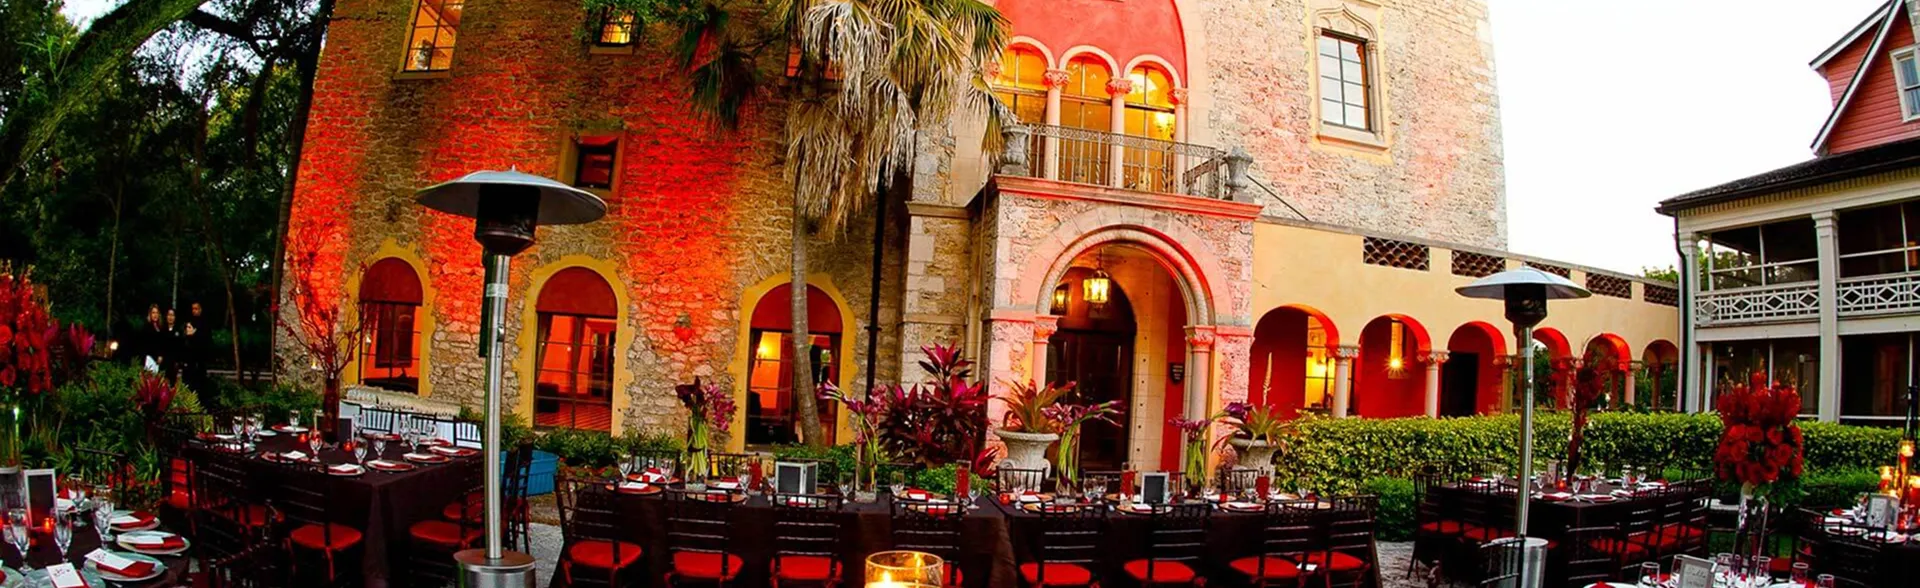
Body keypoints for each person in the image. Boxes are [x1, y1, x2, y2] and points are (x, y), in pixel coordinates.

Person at [180, 302, 211, 392]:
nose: (194, 311)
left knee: (200, 380)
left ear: (200, 309)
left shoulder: (205, 323)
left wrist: (195, 334)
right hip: (190, 358)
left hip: (201, 357)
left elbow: (206, 339)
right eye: (193, 309)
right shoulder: (189, 322)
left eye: (196, 309)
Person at [138, 304, 167, 372]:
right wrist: (156, 356)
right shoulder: (146, 327)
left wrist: (161, 355)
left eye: (157, 313)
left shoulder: (161, 327)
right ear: (150, 314)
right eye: (153, 312)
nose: (155, 315)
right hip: (149, 358)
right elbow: (147, 344)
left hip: (158, 360)